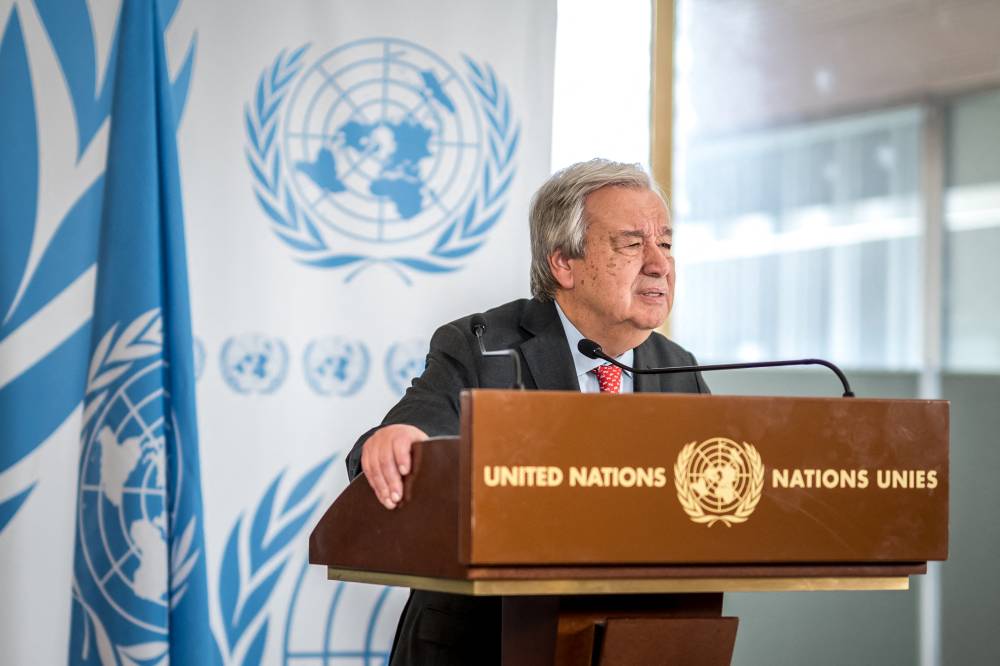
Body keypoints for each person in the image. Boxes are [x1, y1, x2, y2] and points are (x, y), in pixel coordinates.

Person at [345, 158, 708, 665]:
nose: (659, 264)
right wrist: (396, 439)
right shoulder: (482, 345)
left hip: (635, 640)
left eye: (665, 244)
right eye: (631, 244)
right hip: (485, 645)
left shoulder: (678, 369)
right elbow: (418, 426)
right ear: (564, 263)